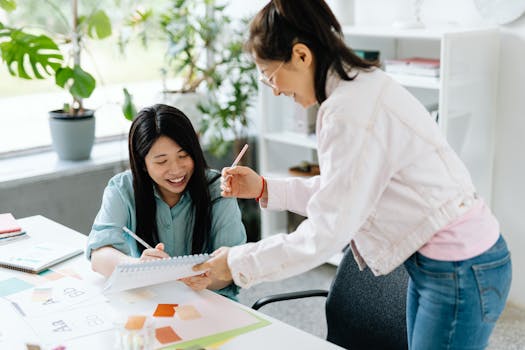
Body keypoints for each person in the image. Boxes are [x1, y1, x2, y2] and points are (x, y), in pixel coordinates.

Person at [194, 0, 512, 348]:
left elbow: (326, 232)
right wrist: (265, 188)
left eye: (270, 76)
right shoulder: (358, 87)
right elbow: (344, 192)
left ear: (301, 55)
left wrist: (237, 263)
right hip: (441, 264)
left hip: (461, 267)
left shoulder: (350, 111)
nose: (276, 90)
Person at [87, 104, 246, 300]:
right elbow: (99, 255)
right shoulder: (122, 189)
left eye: (183, 155)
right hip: (149, 300)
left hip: (208, 300)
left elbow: (232, 266)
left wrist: (208, 279)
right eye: (162, 161)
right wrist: (138, 267)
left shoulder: (218, 190)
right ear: (142, 163)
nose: (176, 169)